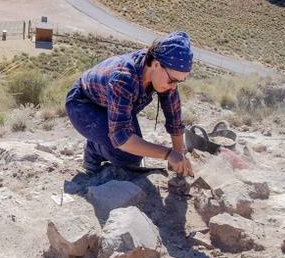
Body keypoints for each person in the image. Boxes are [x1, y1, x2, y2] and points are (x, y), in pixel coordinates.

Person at [65, 31, 196, 177]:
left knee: (134, 151)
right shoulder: (124, 78)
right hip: (83, 104)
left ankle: (103, 143)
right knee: (130, 156)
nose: (173, 86)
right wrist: (167, 154)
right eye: (172, 80)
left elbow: (174, 118)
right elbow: (122, 138)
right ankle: (93, 148)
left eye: (179, 81)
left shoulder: (163, 73)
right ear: (156, 64)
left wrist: (179, 154)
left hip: (110, 103)